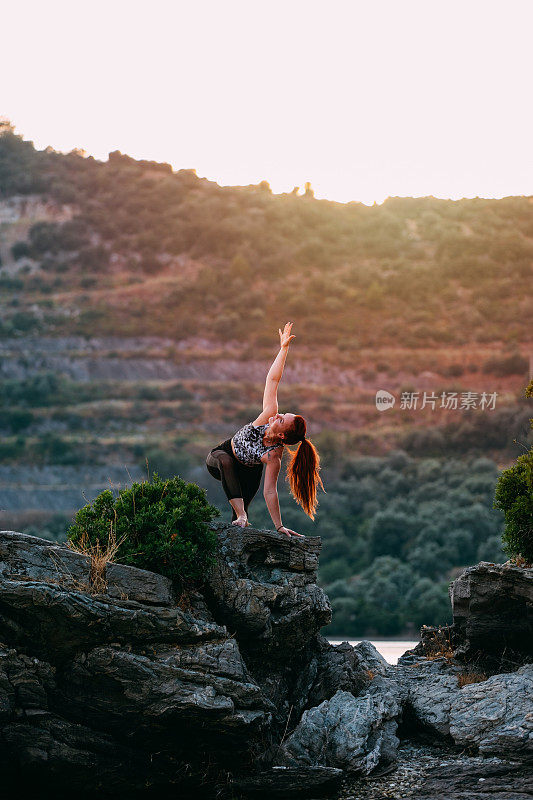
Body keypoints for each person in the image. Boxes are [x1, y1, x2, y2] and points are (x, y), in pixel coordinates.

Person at [205, 322, 324, 538]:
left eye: (281, 419)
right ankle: (241, 514)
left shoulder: (273, 456)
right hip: (221, 457)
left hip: (248, 474)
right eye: (283, 413)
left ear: (280, 435)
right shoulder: (267, 415)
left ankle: (239, 520)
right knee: (226, 461)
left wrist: (279, 526)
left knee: (239, 522)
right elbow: (273, 379)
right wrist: (283, 349)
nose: (278, 415)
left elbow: (270, 491)